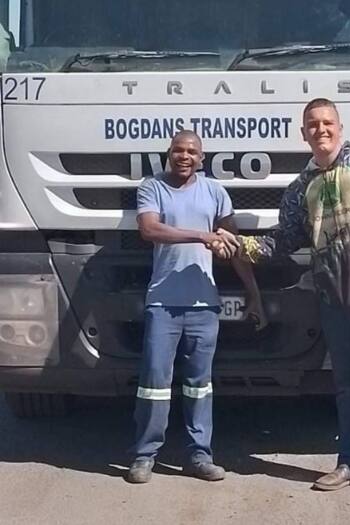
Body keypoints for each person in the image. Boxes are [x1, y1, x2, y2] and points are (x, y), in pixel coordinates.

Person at [211, 98, 350, 502]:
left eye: (327, 122)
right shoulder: (299, 189)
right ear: (303, 133)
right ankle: (349, 464)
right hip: (334, 298)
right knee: (346, 385)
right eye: (313, 124)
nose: (320, 130)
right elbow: (283, 241)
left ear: (339, 128)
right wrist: (239, 245)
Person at [125, 130, 264, 484]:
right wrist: (202, 235)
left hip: (205, 305)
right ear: (168, 154)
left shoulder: (215, 192)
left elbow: (233, 246)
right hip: (163, 302)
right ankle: (144, 456)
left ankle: (199, 455)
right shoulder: (152, 187)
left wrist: (253, 293)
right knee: (155, 381)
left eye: (191, 151)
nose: (184, 156)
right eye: (178, 150)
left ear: (202, 158)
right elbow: (150, 230)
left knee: (199, 385)